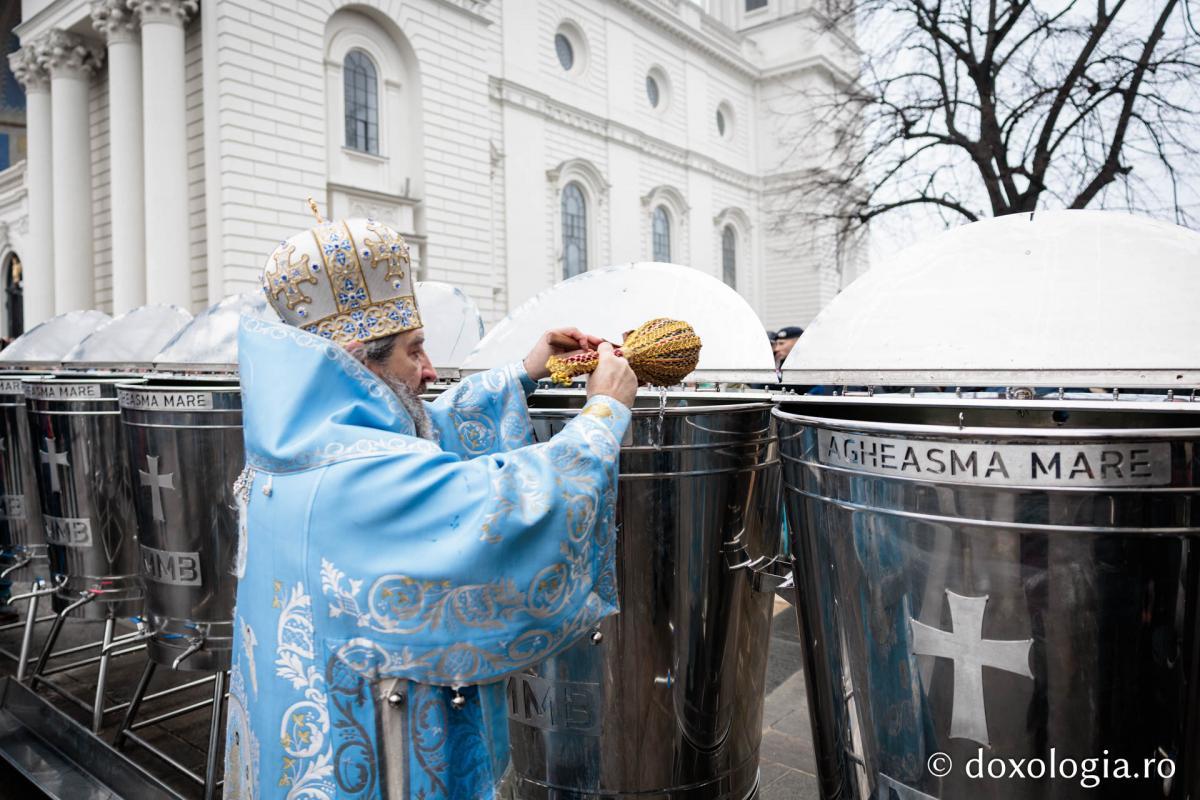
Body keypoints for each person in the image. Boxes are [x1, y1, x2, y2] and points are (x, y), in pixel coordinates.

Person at [224, 214, 638, 799]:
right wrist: (602, 416)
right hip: (371, 758)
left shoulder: (298, 444)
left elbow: (422, 431)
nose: (430, 371)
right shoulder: (362, 476)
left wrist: (522, 374)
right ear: (359, 360)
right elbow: (511, 509)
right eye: (414, 350)